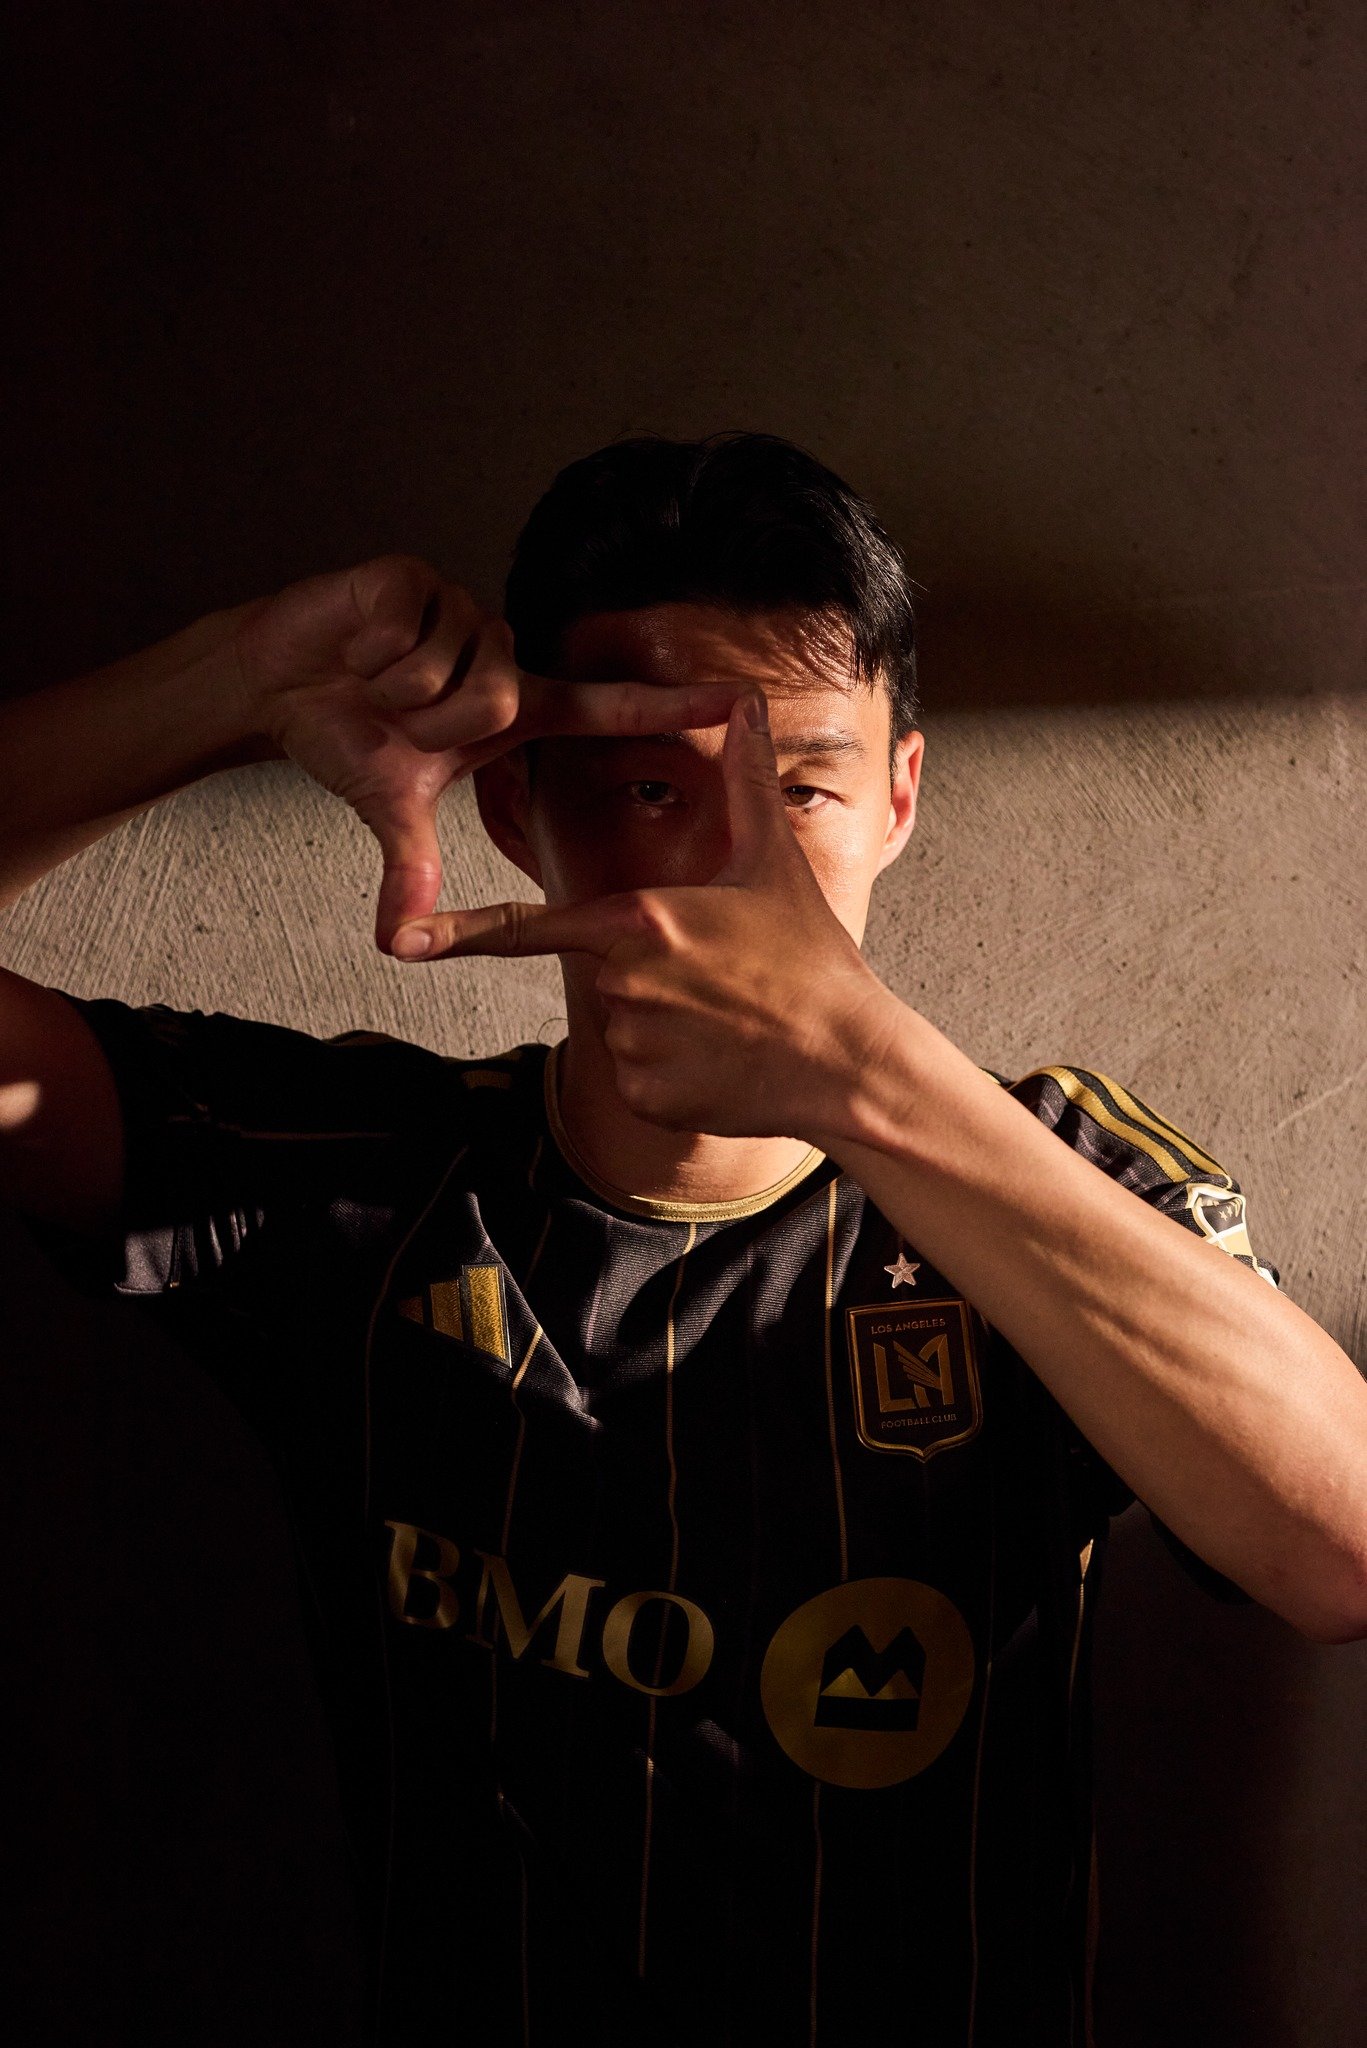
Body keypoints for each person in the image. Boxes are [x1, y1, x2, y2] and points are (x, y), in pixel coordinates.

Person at [2, 432, 1365, 2048]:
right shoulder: (359, 1180)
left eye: (801, 788)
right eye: (651, 786)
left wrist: (859, 1071)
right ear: (519, 808)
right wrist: (231, 683)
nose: (735, 865)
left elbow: (1344, 1548)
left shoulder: (1056, 1174)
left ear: (900, 799)